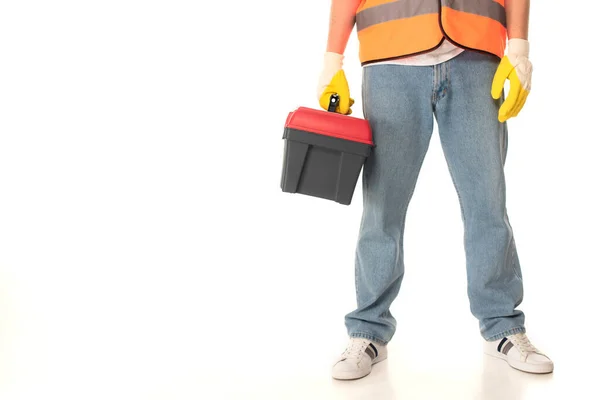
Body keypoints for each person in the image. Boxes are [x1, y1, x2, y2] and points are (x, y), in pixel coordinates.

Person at [316, 0, 553, 380]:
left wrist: (519, 48)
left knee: (488, 204)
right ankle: (368, 330)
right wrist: (332, 60)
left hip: (476, 61)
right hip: (390, 63)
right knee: (382, 208)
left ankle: (503, 326)